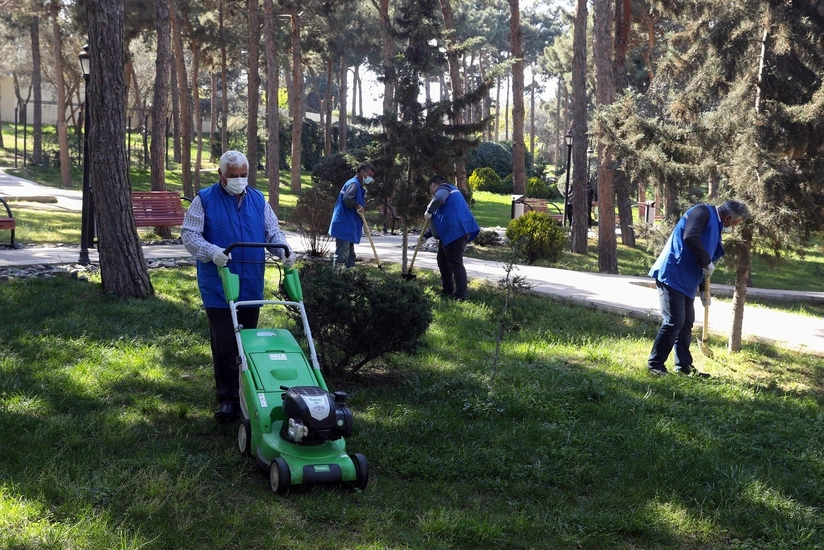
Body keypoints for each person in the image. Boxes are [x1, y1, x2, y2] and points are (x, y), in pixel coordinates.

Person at [182, 150, 293, 421]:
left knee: (247, 341)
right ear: (221, 175)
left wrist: (284, 251)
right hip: (218, 284)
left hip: (251, 283)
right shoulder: (205, 199)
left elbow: (272, 231)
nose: (239, 180)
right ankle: (227, 399)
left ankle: (246, 393)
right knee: (225, 343)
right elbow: (189, 235)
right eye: (233, 176)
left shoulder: (258, 199)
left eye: (243, 175)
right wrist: (211, 251)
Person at [647, 199, 749, 376]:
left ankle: (684, 367)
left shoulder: (717, 228)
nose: (733, 227)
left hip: (688, 280)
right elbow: (690, 236)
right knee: (674, 320)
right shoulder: (701, 212)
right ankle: (655, 364)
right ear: (729, 217)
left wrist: (703, 289)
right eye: (735, 223)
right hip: (673, 272)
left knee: (686, 323)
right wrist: (706, 262)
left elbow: (705, 262)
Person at [424, 175, 481, 301]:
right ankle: (447, 291)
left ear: (433, 184)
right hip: (450, 232)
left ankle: (461, 296)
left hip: (456, 232)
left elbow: (438, 199)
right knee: (443, 262)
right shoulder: (452, 191)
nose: (431, 193)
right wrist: (426, 235)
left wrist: (429, 210)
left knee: (455, 264)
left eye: (430, 189)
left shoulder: (444, 188)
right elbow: (442, 218)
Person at [328, 161, 376, 268]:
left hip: (348, 225)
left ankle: (349, 278)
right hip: (344, 224)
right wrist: (358, 206)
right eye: (370, 175)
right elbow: (347, 198)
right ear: (362, 172)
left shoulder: (357, 185)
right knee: (342, 255)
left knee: (350, 255)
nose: (371, 178)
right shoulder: (354, 184)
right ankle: (337, 278)